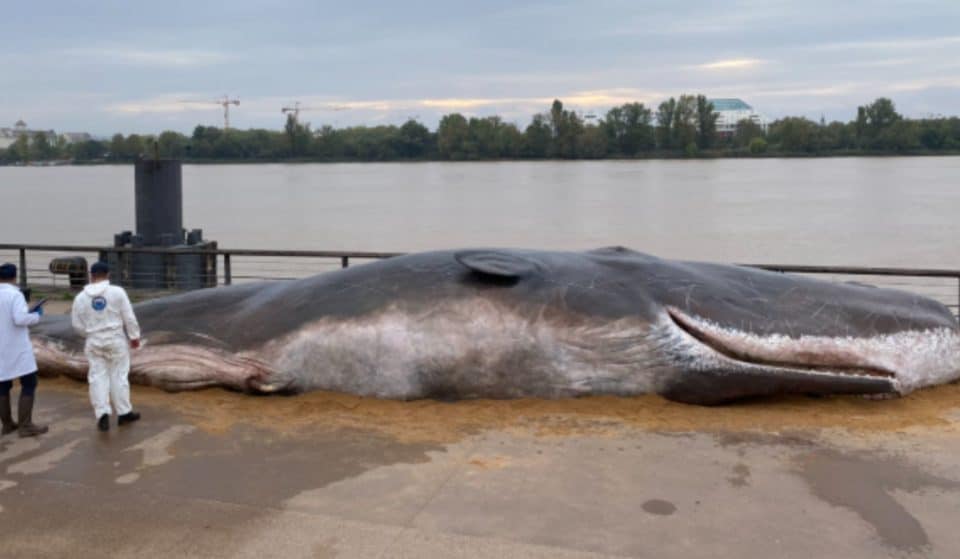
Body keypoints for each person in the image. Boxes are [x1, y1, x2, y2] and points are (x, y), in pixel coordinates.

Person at [71, 262, 142, 432]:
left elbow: (76, 325)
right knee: (119, 376)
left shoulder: (80, 298)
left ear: (91, 275)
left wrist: (89, 334)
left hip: (94, 341)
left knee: (97, 378)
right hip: (115, 339)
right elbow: (129, 317)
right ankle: (124, 413)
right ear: (108, 274)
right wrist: (134, 337)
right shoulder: (117, 292)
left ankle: (102, 414)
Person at [0, 263, 48, 437]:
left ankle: (6, 424)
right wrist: (36, 315)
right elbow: (20, 319)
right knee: (29, 383)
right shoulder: (15, 294)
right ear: (14, 277)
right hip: (16, 347)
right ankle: (25, 425)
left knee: (3, 385)